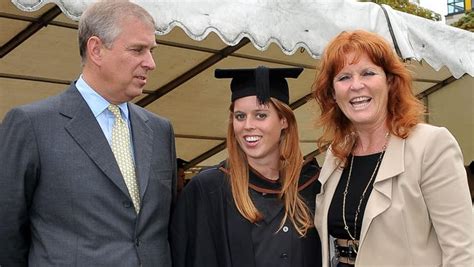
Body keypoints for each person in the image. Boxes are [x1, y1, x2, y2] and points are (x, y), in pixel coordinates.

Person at [0, 0, 176, 266]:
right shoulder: (31, 125)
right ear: (96, 50)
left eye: (151, 50)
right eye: (137, 50)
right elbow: (6, 232)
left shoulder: (161, 130)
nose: (150, 63)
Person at [312, 30, 473, 267]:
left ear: (389, 81)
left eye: (368, 73)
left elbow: (462, 252)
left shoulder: (430, 146)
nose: (356, 85)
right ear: (333, 94)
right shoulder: (336, 153)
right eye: (344, 77)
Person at [170, 66, 322, 267]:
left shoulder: (312, 185)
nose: (248, 125)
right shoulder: (209, 189)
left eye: (260, 115)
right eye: (240, 116)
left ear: (284, 120)